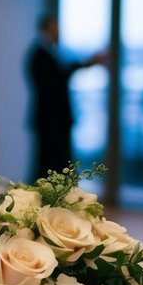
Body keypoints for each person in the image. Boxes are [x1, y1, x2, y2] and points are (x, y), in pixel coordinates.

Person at [25, 14, 107, 181]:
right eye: (56, 26)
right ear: (47, 27)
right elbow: (55, 80)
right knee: (50, 163)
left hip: (55, 119)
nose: (59, 30)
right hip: (50, 120)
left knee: (56, 162)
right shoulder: (40, 53)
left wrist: (85, 64)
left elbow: (61, 73)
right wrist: (86, 64)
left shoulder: (48, 51)